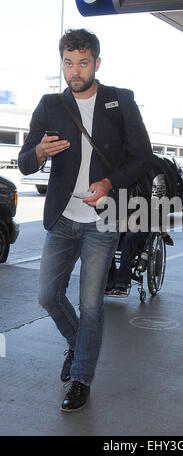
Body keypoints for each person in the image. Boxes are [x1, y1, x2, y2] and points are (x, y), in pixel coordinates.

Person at [18, 29, 153, 412]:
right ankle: (78, 344)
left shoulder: (120, 101)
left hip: (102, 219)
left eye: (82, 62)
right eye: (67, 62)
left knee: (91, 303)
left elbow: (141, 156)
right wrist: (41, 151)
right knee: (47, 295)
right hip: (62, 217)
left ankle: (81, 377)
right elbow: (26, 161)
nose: (74, 71)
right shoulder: (49, 104)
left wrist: (109, 182)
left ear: (97, 62)